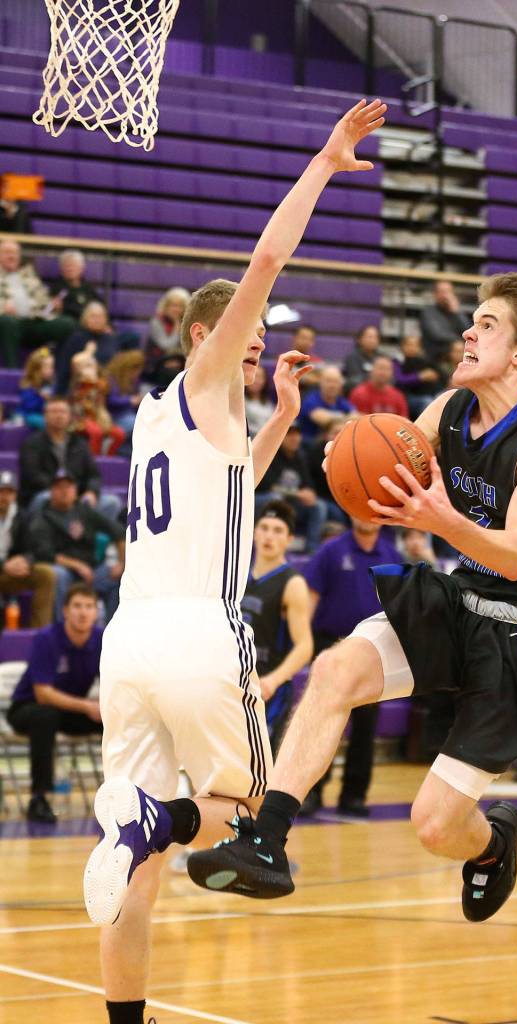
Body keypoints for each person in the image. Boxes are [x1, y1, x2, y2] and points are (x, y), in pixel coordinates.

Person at [80, 97, 386, 1024]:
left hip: (131, 640)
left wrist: (286, 419)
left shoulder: (157, 417)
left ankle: (125, 1002)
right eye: (251, 345)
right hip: (199, 634)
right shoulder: (210, 368)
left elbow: (229, 485)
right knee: (252, 811)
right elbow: (264, 260)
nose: (258, 356)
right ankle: (158, 822)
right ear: (209, 339)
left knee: (134, 875)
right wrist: (325, 164)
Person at [188, 271, 517, 925]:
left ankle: (492, 844)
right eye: (472, 319)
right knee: (335, 667)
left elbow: (515, 554)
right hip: (462, 598)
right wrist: (345, 451)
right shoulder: (451, 409)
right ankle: (267, 840)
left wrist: (439, 522)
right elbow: (390, 455)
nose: (467, 329)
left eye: (487, 325)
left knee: (433, 826)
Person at [298, 517, 401, 817]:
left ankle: (354, 796)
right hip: (331, 645)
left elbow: (399, 606)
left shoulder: (391, 556)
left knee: (365, 729)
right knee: (323, 724)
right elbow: (310, 601)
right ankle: (311, 792)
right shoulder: (331, 552)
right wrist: (301, 644)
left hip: (374, 650)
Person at [6, 584, 103, 824]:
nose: (83, 612)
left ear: (96, 612)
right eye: (77, 606)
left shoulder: (103, 639)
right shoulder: (47, 638)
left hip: (68, 711)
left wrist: (105, 706)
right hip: (27, 709)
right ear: (65, 611)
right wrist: (87, 706)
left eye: (89, 606)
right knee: (45, 715)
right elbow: (43, 694)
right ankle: (39, 799)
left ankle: (127, 794)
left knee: (117, 719)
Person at [241, 500, 313, 752]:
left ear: (289, 539)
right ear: (253, 533)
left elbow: (305, 646)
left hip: (268, 691)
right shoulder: (236, 577)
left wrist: (273, 681)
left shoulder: (292, 583)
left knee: (261, 772)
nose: (269, 536)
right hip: (231, 685)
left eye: (278, 530)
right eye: (264, 527)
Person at [27, 468, 125, 622]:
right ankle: (63, 628)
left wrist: (121, 562)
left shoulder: (83, 510)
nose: (64, 491)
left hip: (93, 571)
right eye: (59, 487)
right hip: (65, 570)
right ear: (51, 490)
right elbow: (43, 553)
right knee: (57, 575)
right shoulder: (43, 516)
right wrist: (77, 565)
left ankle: (111, 628)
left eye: (69, 487)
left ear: (75, 490)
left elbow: (118, 531)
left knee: (118, 577)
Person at [19, 395, 121, 521]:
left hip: (77, 497)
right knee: (43, 498)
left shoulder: (80, 444)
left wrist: (91, 492)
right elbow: (33, 476)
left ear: (69, 416)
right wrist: (62, 491)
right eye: (54, 412)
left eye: (63, 412)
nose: (59, 416)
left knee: (111, 502)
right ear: (45, 416)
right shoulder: (32, 444)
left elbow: (94, 475)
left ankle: (92, 539)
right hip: (47, 495)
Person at [0, 238, 75, 367]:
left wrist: (52, 305)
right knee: (7, 321)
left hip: (34, 320)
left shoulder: (29, 274)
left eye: (14, 253)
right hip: (9, 323)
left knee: (67, 324)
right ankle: (12, 372)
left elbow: (43, 300)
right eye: (7, 252)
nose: (11, 256)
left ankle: (60, 370)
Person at [255, 421, 327, 552]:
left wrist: (309, 493)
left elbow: (308, 483)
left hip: (290, 503)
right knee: (275, 498)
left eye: (297, 434)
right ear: (281, 436)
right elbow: (268, 485)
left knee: (319, 506)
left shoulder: (300, 457)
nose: (294, 438)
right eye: (289, 434)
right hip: (263, 501)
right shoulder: (270, 453)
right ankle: (269, 545)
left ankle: (311, 550)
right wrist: (298, 494)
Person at [0, 469, 55, 626]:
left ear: (15, 495)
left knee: (46, 574)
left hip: (12, 573)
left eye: (9, 492)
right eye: (1, 491)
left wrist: (25, 560)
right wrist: (4, 564)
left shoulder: (23, 516)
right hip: (5, 568)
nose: (4, 496)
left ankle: (39, 631)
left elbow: (35, 549)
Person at [55, 301, 139, 394]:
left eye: (100, 317)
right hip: (81, 388)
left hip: (108, 390)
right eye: (93, 316)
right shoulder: (75, 339)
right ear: (85, 318)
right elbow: (64, 369)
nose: (97, 320)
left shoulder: (111, 339)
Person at [69, 347, 126, 456]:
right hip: (78, 419)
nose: (91, 369)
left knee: (119, 434)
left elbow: (102, 397)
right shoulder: (75, 385)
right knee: (96, 432)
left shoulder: (99, 384)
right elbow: (78, 405)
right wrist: (88, 382)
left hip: (96, 417)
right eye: (87, 366)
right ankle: (94, 461)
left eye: (93, 365)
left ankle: (107, 460)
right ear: (77, 369)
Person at [300, 364, 355, 442]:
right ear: (320, 382)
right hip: (310, 445)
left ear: (341, 385)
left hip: (334, 443)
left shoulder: (340, 401)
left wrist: (336, 418)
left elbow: (356, 417)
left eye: (336, 382)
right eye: (328, 381)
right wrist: (346, 417)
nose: (332, 385)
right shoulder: (311, 399)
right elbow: (325, 420)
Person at [143, 286, 189, 376]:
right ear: (165, 306)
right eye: (173, 305)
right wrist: (176, 326)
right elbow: (166, 345)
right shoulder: (156, 322)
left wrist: (178, 360)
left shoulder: (188, 324)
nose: (176, 309)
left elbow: (188, 349)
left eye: (180, 306)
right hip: (157, 365)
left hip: (180, 363)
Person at [392, 334, 441, 418]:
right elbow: (399, 380)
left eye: (416, 345)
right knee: (426, 402)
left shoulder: (423, 361)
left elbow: (437, 375)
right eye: (409, 344)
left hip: (424, 393)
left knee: (441, 398)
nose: (412, 348)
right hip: (403, 396)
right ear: (402, 346)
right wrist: (420, 377)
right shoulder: (397, 361)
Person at [419, 280, 468, 362]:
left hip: (458, 359)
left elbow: (468, 330)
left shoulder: (457, 312)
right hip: (436, 358)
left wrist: (457, 313)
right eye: (442, 292)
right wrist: (459, 340)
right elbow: (438, 335)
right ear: (435, 294)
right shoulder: (428, 312)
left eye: (448, 292)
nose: (446, 295)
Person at [49, 249, 104, 322]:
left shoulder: (88, 287)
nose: (70, 269)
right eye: (66, 266)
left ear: (81, 268)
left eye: (73, 265)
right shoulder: (56, 288)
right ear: (61, 269)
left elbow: (101, 306)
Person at [18, 346, 55, 429]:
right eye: (48, 367)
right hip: (30, 415)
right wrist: (41, 398)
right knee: (46, 422)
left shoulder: (52, 384)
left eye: (52, 366)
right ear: (36, 369)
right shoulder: (27, 385)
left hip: (47, 414)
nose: (52, 370)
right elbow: (28, 406)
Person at [342, 324, 382, 391]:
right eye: (370, 337)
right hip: (358, 394)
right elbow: (355, 381)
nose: (372, 340)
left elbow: (390, 379)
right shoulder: (352, 357)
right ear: (359, 339)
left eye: (375, 337)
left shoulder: (382, 358)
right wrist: (376, 377)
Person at [245, 363, 275, 436]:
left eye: (260, 377)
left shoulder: (269, 403)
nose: (256, 381)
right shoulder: (239, 402)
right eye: (254, 376)